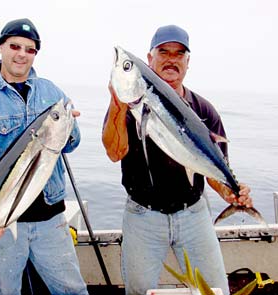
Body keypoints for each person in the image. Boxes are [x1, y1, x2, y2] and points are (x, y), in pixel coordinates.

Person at [102, 25, 253, 295]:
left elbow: (213, 172)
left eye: (179, 53)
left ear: (187, 62)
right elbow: (114, 153)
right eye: (164, 52)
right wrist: (117, 103)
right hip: (142, 216)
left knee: (215, 290)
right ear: (150, 60)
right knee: (138, 292)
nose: (171, 59)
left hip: (194, 214)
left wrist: (232, 193)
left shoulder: (204, 111)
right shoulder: (127, 107)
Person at [0, 18, 88, 295]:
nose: (21, 54)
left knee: (72, 290)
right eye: (15, 46)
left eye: (30, 49)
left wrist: (69, 127)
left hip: (51, 218)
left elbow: (70, 144)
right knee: (7, 292)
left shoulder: (51, 93)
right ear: (1, 47)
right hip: (3, 221)